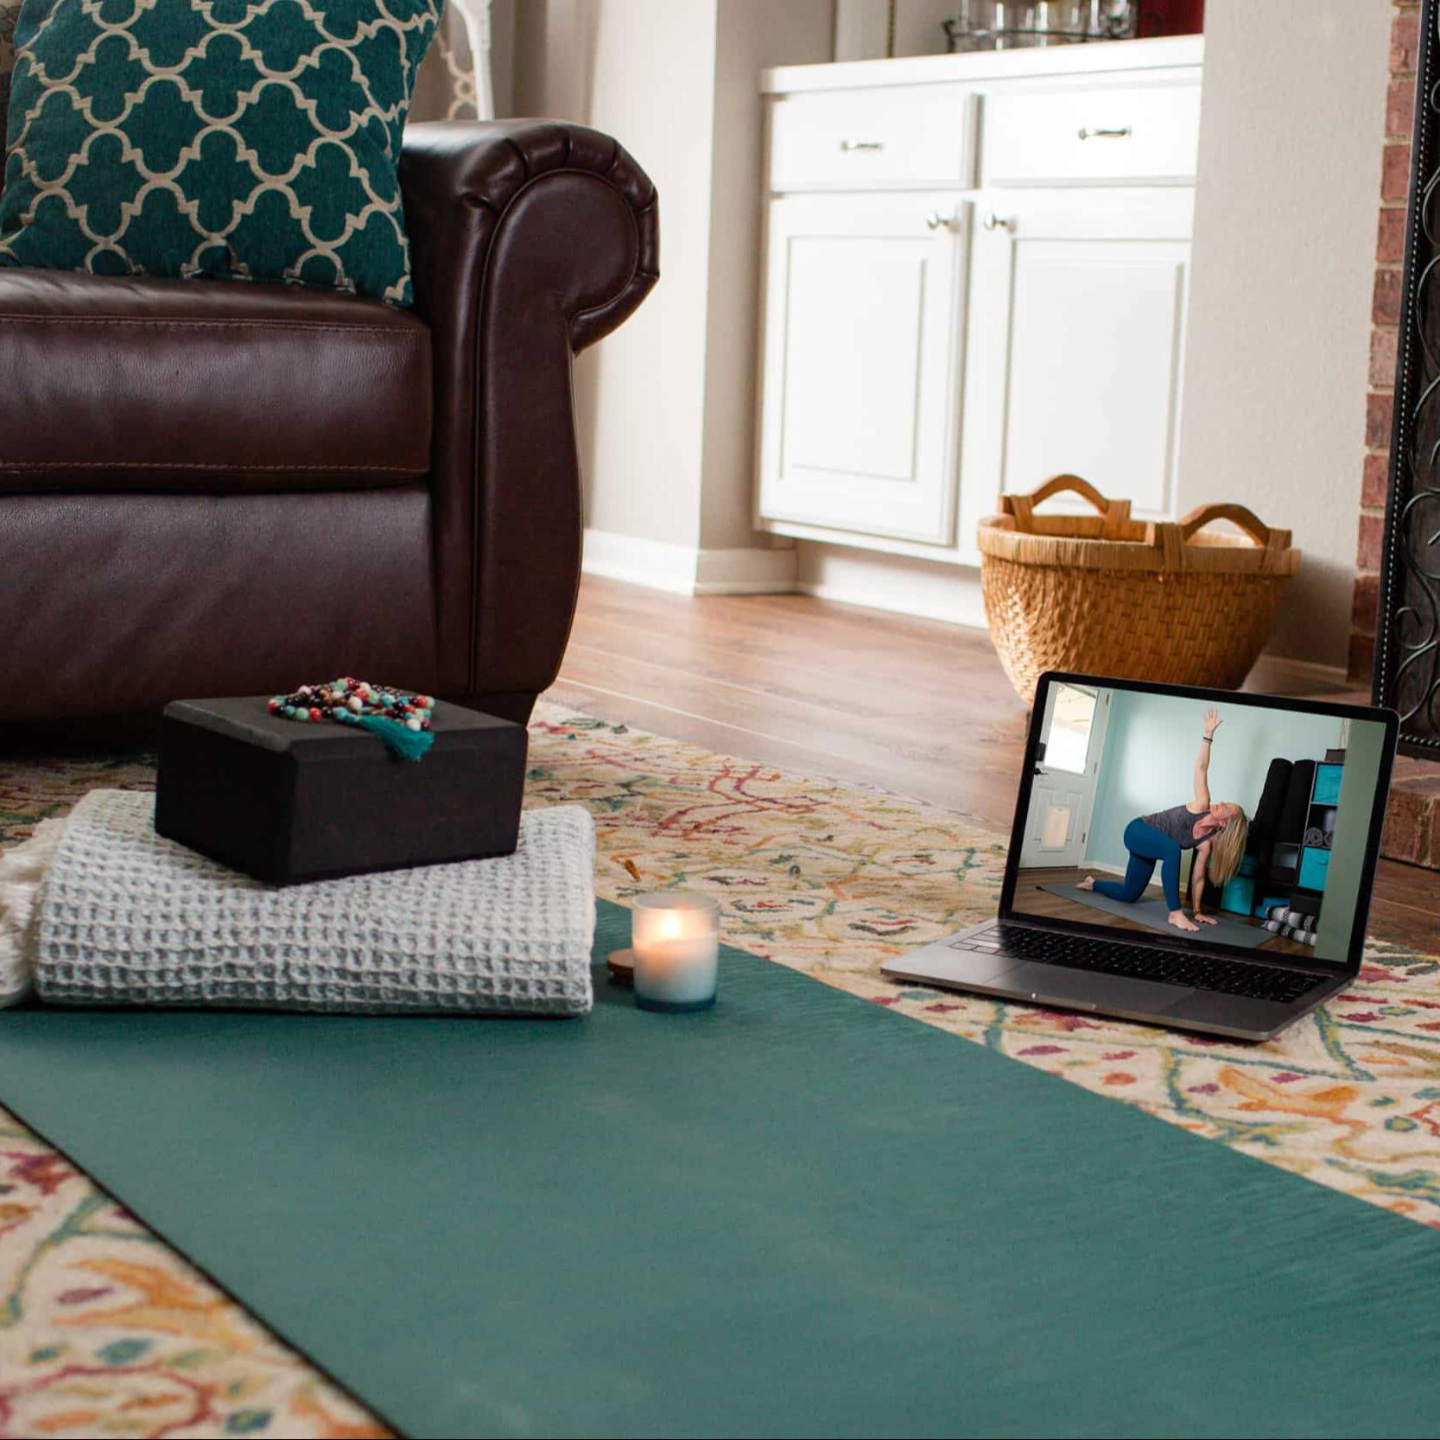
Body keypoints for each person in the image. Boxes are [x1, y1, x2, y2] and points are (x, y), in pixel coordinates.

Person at [1077, 706, 1250, 933]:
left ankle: (1092, 883)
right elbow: (1201, 768)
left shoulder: (1205, 843)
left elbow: (1198, 878)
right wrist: (1208, 736)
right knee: (1172, 849)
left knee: (1129, 894)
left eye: (1227, 808)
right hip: (1137, 830)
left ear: (1225, 824)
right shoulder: (1202, 804)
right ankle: (1175, 914)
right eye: (1226, 802)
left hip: (1150, 847)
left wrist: (1197, 911)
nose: (1222, 803)